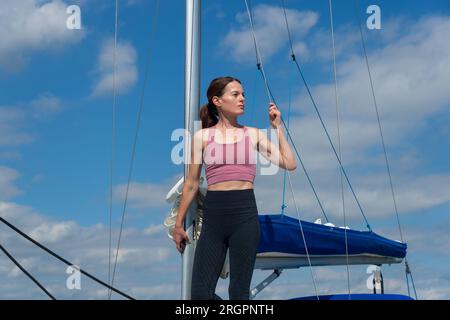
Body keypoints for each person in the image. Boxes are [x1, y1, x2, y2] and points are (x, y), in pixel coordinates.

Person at [173, 76, 297, 300]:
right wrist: (178, 223)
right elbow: (191, 184)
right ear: (217, 101)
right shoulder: (202, 137)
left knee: (238, 293)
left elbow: (290, 163)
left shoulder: (252, 134)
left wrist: (277, 127)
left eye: (243, 95)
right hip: (214, 216)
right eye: (235, 94)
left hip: (244, 215)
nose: (242, 99)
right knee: (200, 294)